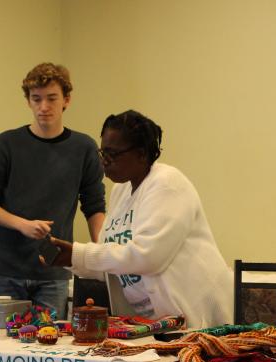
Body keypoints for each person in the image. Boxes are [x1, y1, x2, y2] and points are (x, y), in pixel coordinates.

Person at [48, 110, 233, 329]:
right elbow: (115, 262)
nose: (104, 162)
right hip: (154, 322)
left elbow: (147, 257)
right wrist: (71, 259)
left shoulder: (167, 183)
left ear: (142, 154)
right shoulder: (120, 190)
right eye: (102, 152)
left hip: (198, 316)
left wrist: (81, 253)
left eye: (113, 154)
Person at [0, 62, 105, 316]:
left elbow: (94, 205)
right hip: (5, 269)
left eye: (52, 99)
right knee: (3, 346)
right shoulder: (5, 144)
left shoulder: (84, 147)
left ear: (66, 100)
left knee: (49, 344)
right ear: (28, 102)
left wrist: (105, 252)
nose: (44, 107)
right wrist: (22, 224)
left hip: (54, 269)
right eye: (37, 99)